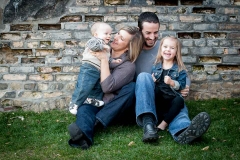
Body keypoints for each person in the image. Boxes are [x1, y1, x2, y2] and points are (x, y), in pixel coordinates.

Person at [135, 12, 211, 144]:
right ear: (139, 30)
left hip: (169, 94)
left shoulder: (165, 46)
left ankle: (184, 131)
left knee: (178, 107)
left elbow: (181, 71)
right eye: (148, 33)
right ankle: (149, 124)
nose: (152, 37)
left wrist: (185, 86)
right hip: (148, 96)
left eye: (156, 32)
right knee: (144, 77)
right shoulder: (133, 50)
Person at [67, 26, 144, 149]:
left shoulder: (128, 66)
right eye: (118, 33)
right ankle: (82, 139)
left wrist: (103, 60)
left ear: (129, 46)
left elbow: (107, 88)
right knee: (84, 109)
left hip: (112, 107)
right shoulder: (103, 50)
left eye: (121, 38)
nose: (116, 37)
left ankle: (96, 122)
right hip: (95, 99)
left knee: (131, 87)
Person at [69, 22, 121, 115]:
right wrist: (104, 47)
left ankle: (92, 99)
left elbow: (106, 58)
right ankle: (74, 103)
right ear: (96, 34)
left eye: (110, 34)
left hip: (98, 70)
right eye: (106, 33)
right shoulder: (95, 41)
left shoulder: (106, 46)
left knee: (97, 87)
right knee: (84, 86)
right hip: (89, 68)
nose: (109, 36)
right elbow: (93, 46)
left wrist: (113, 61)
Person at [151, 36, 187, 133]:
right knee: (156, 91)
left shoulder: (180, 69)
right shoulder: (155, 66)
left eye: (172, 48)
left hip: (171, 98)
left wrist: (172, 82)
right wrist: (153, 81)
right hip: (159, 99)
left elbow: (182, 85)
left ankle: (163, 124)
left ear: (176, 52)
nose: (168, 50)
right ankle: (156, 119)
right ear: (161, 48)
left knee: (179, 100)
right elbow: (153, 83)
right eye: (165, 47)